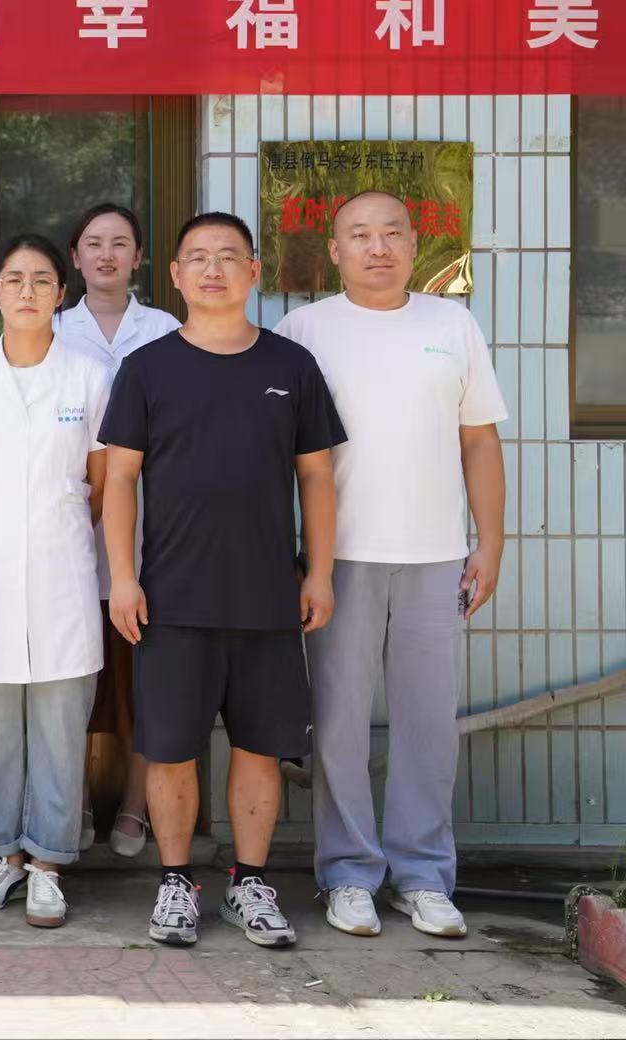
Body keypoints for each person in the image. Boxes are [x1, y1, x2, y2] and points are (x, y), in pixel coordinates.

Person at [100, 212, 343, 951]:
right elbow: (120, 480)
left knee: (260, 747)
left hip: (269, 595)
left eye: (229, 257)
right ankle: (176, 883)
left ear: (254, 272)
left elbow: (317, 476)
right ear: (174, 275)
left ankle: (250, 883)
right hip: (171, 598)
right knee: (171, 749)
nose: (213, 270)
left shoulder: (291, 366)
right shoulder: (147, 368)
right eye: (198, 258)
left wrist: (320, 573)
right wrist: (122, 578)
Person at [275, 191, 507, 940]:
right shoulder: (304, 331)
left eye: (391, 234)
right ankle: (347, 873)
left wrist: (491, 543)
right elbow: (280, 454)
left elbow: (479, 440)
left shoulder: (452, 324)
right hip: (338, 559)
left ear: (415, 243)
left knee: (428, 724)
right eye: (360, 235)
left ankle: (423, 875)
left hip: (435, 556)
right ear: (334, 250)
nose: (377, 247)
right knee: (338, 724)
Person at [0, 234, 111, 930]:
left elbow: (101, 482)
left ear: (61, 294)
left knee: (60, 725)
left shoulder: (90, 376)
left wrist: (53, 524)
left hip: (62, 570)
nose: (27, 291)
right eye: (13, 279)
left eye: (42, 279)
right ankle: (2, 855)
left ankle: (48, 863)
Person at [57, 202, 180, 858]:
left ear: (139, 257)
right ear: (74, 257)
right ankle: (72, 800)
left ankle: (135, 804)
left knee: (145, 684)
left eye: (120, 243)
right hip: (71, 531)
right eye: (93, 243)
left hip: (152, 531)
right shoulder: (52, 329)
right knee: (70, 680)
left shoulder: (165, 329)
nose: (106, 254)